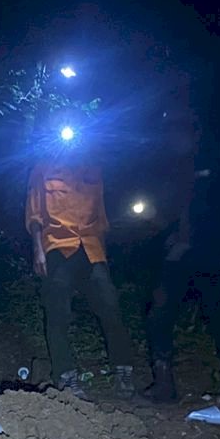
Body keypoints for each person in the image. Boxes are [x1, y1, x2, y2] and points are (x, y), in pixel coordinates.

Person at [145, 92, 220, 408]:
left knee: (217, 315)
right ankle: (164, 384)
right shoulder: (173, 169)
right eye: (173, 131)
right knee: (159, 312)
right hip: (178, 253)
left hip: (211, 253)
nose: (177, 136)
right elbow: (165, 212)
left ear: (196, 132)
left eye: (184, 130)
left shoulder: (218, 166)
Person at [25, 143, 137, 399]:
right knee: (58, 312)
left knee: (110, 306)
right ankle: (66, 378)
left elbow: (101, 220)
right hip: (57, 247)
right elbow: (34, 215)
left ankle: (124, 373)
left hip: (91, 248)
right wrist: (38, 250)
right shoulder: (43, 170)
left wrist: (103, 257)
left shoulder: (93, 172)